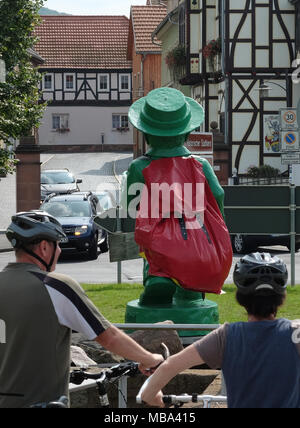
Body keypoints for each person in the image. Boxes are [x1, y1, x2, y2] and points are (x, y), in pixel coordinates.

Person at [0, 211, 164, 408]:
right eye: (57, 244)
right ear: (44, 247)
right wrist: (149, 358)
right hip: (41, 402)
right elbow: (108, 336)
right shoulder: (54, 285)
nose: (59, 251)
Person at [141, 253, 300, 409]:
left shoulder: (226, 337)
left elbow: (170, 365)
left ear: (240, 297)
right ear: (282, 296)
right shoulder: (295, 333)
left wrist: (151, 395)